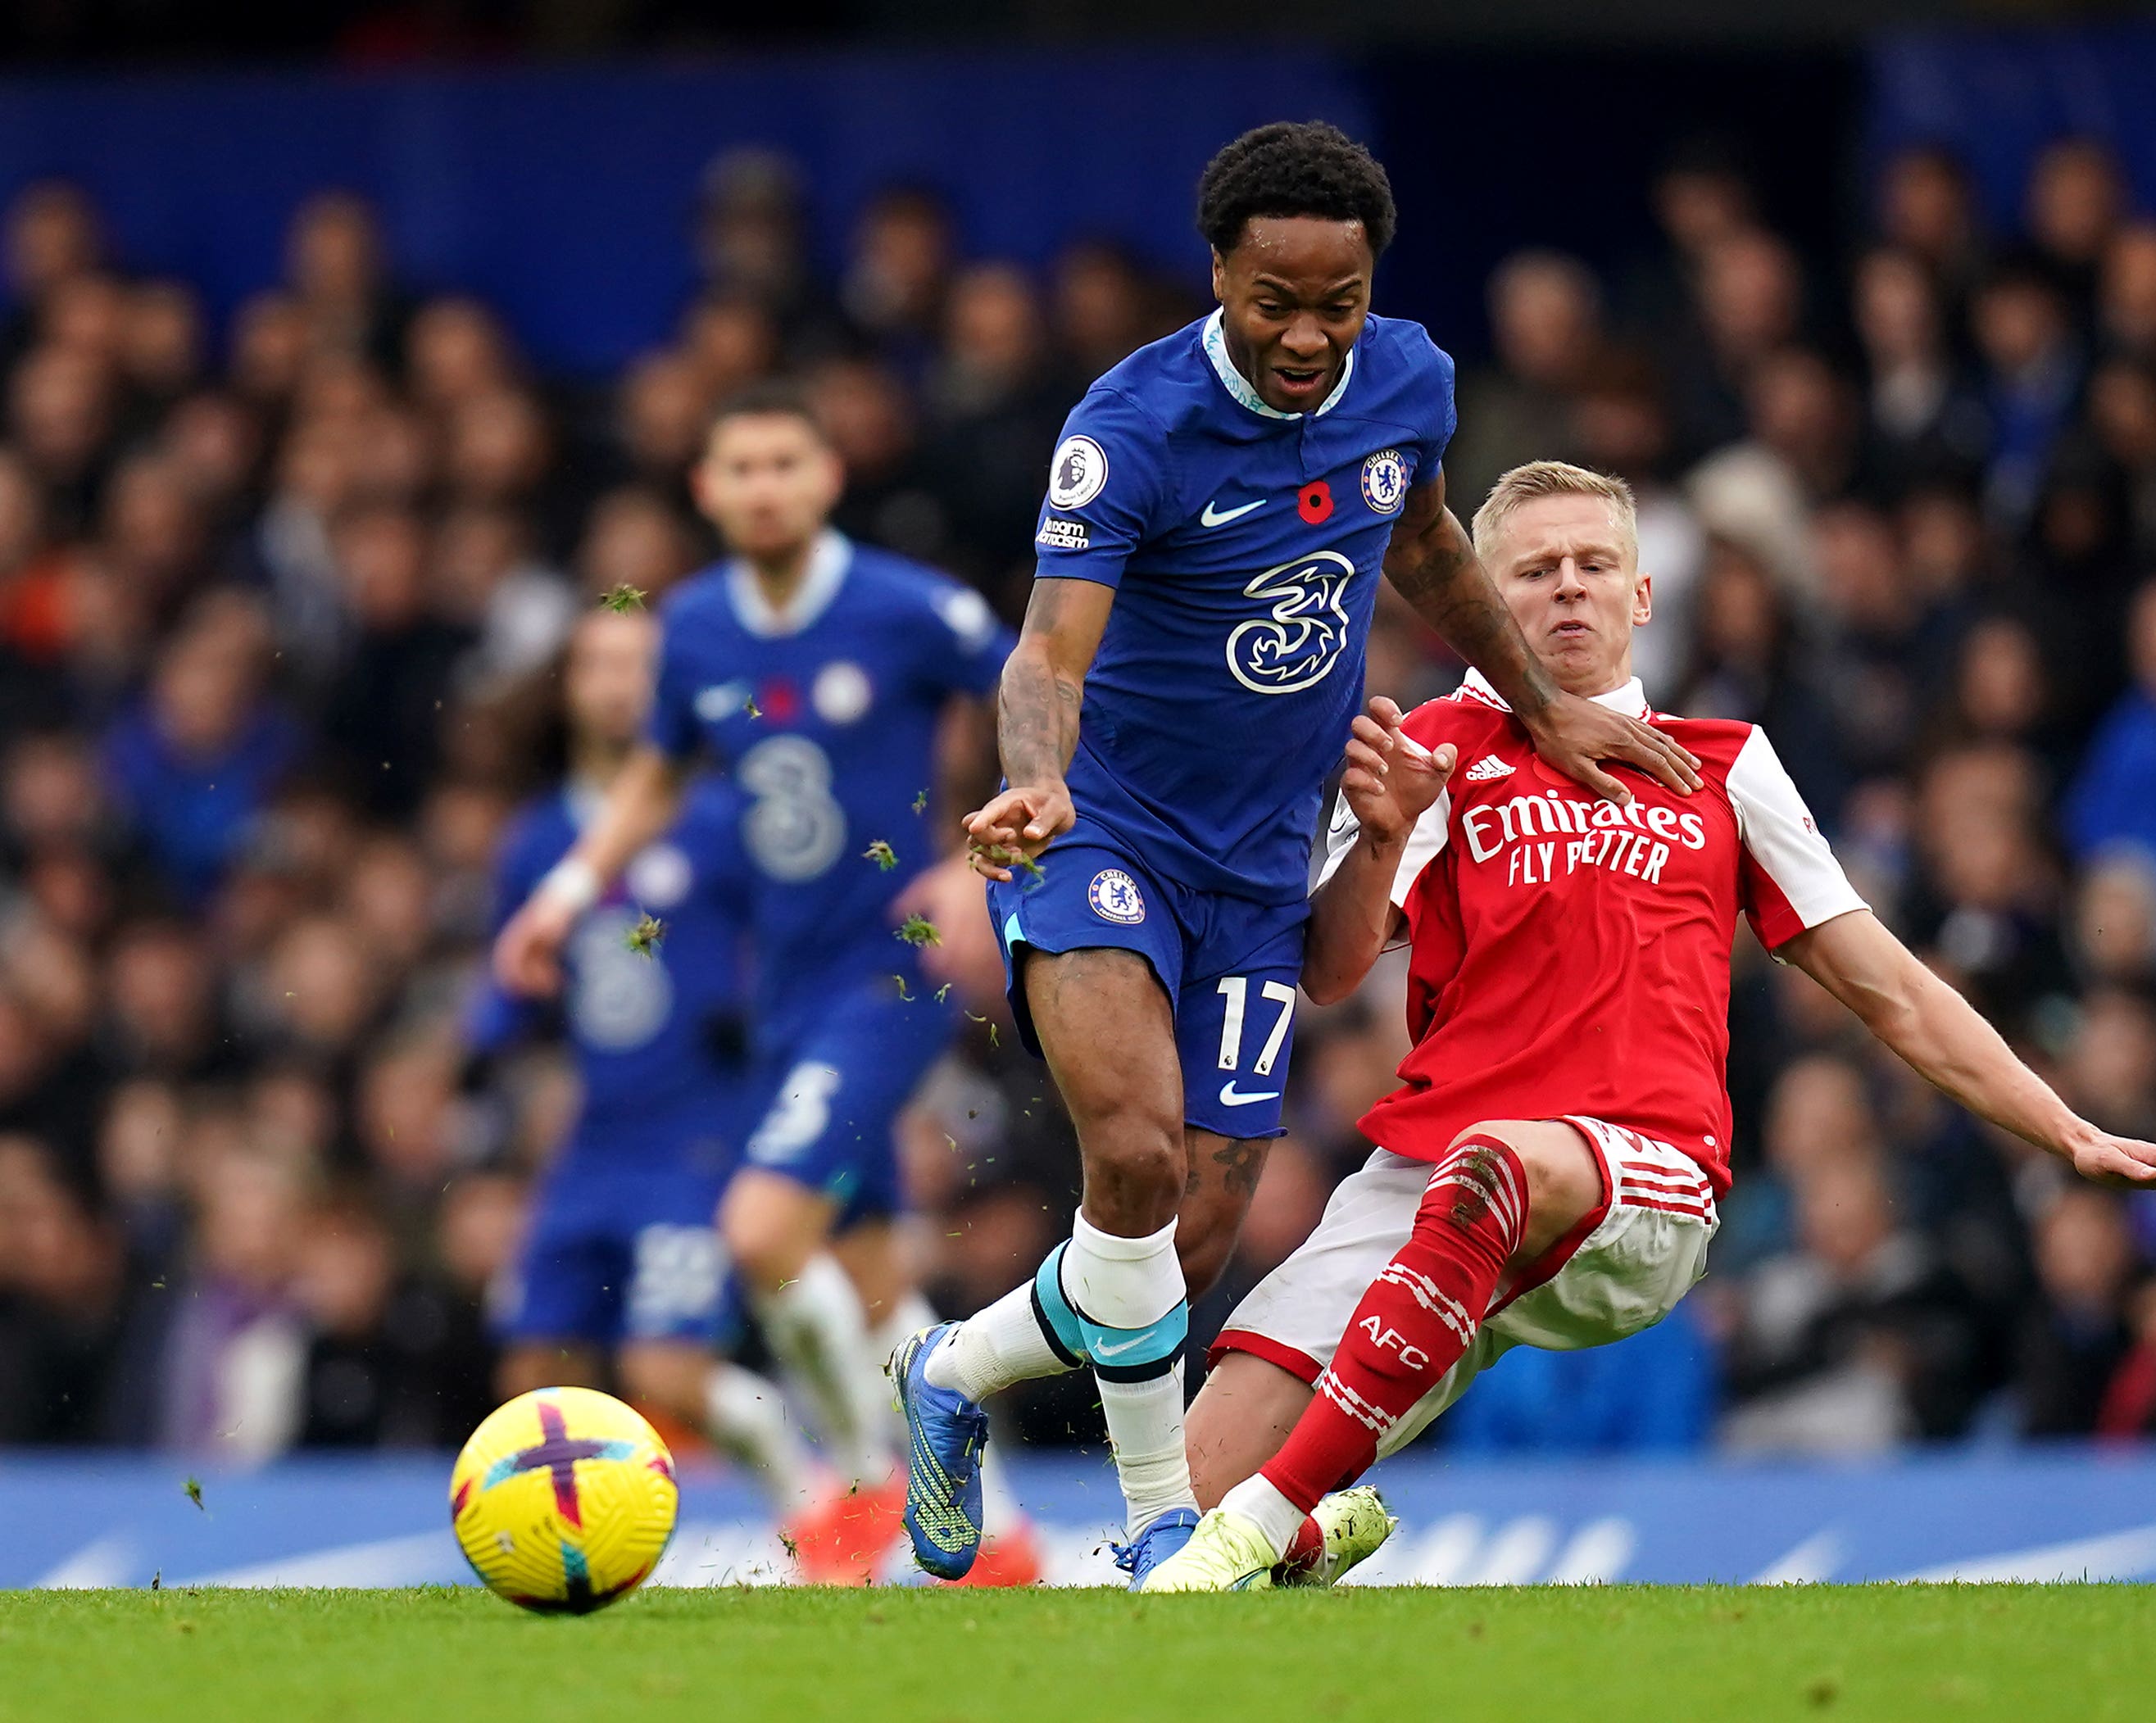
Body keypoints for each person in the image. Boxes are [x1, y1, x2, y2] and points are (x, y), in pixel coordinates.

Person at [1139, 460, 2156, 1590]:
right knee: (1180, 1503)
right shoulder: (1437, 745)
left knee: (1487, 1174)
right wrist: (1377, 837)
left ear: (1642, 594)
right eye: (1532, 570)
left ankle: (1268, 1516)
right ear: (1482, 595)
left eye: (1592, 565)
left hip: (1639, 1172)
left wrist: (2065, 1130)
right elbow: (1329, 971)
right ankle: (1299, 1532)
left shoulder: (1726, 762)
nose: (1567, 589)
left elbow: (1889, 987)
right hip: (1431, 1164)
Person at [890, 123, 1698, 1586]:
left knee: (1188, 1236)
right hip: (1106, 826)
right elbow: (1041, 656)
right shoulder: (1125, 426)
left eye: (1338, 300)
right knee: (1130, 1150)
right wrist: (1032, 786)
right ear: (1218, 277)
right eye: (1275, 301)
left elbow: (1434, 547)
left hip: (1262, 864)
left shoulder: (1409, 378)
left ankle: (950, 1368)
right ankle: (1150, 1530)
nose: (1309, 334)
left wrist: (1549, 711)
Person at [489, 383, 1024, 1582]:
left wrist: (967, 859)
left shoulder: (904, 606)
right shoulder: (689, 627)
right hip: (788, 990)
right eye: (742, 467)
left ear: (828, 475)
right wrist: (567, 895)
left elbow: (1036, 690)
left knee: (762, 1228)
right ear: (707, 488)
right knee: (879, 1285)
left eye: (787, 461)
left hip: (885, 968)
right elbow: (655, 779)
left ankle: (865, 1482)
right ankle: (1007, 1536)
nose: (766, 485)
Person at [468, 607, 854, 1564]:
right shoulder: (534, 842)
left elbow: (798, 947)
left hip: (699, 1140)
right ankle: (558, 1549)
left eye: (634, 665)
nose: (613, 685)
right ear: (567, 687)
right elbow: (518, 990)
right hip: (592, 1143)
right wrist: (479, 1052)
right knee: (530, 1375)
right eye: (593, 663)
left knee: (663, 1368)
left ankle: (811, 1500)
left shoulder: (723, 823)